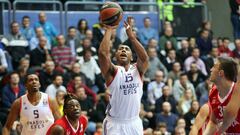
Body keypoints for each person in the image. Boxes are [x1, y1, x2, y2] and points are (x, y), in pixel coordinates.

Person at [98, 16, 149, 135]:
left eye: (126, 49)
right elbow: (103, 54)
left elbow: (144, 58)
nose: (123, 50)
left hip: (134, 122)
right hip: (115, 124)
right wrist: (109, 29)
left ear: (132, 56)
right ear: (115, 56)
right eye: (120, 49)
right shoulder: (112, 71)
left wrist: (131, 37)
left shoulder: (138, 69)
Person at [203, 56, 240, 134]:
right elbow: (213, 122)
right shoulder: (213, 92)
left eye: (214, 66)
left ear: (221, 73)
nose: (211, 69)